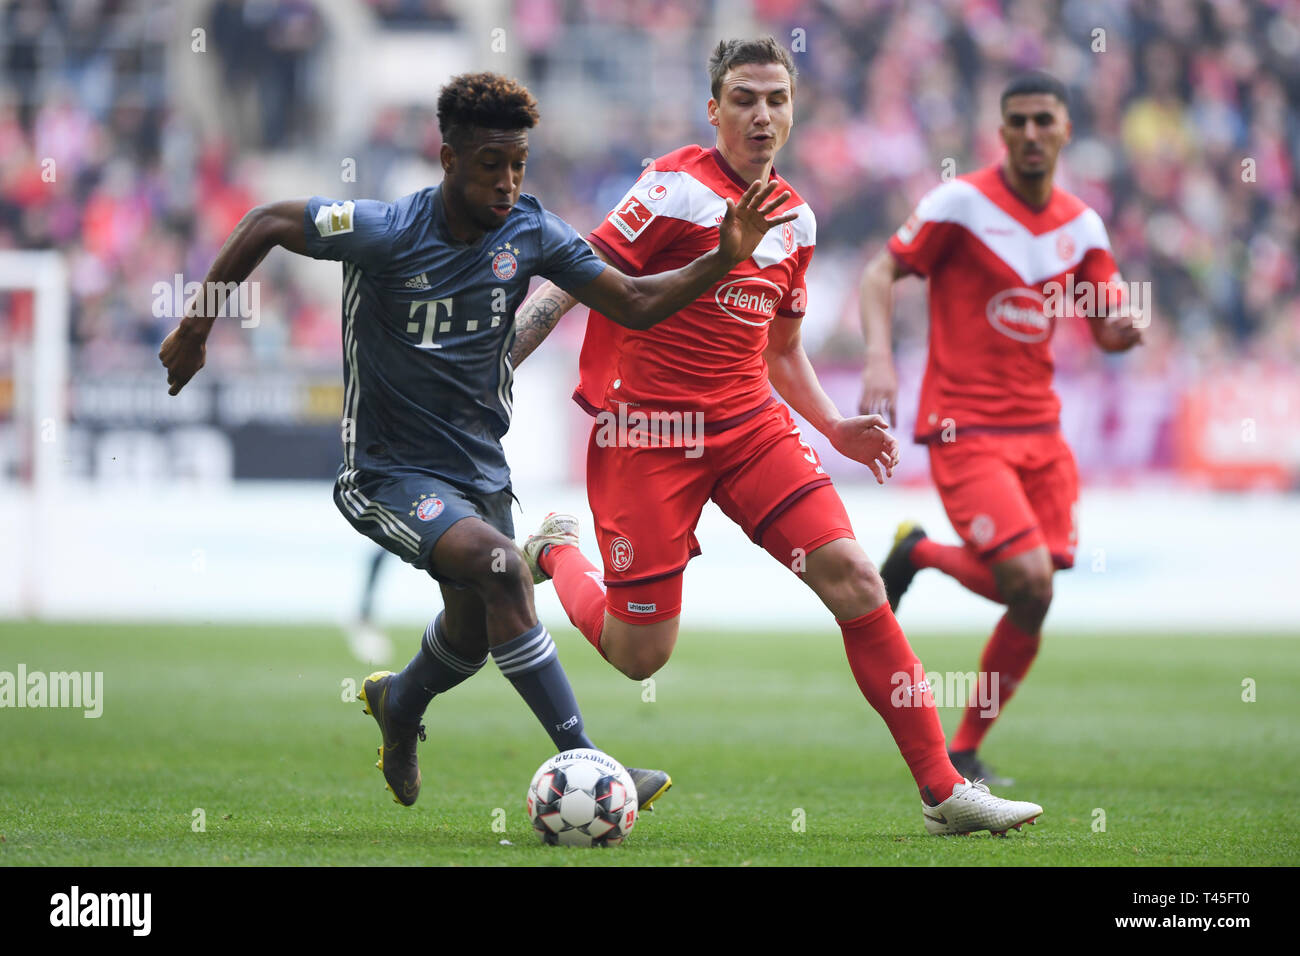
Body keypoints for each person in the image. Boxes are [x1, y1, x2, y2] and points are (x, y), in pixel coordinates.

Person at [159, 71, 796, 811]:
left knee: (469, 634)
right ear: (449, 159)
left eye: (519, 165)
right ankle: (589, 760)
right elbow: (267, 219)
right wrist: (197, 323)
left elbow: (632, 301)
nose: (508, 182)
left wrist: (722, 258)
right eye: (492, 165)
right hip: (387, 472)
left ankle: (400, 702)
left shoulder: (531, 231)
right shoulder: (387, 230)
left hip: (479, 472)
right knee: (503, 570)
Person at [511, 39, 1043, 836]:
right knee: (639, 654)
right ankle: (557, 549)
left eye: (777, 100)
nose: (763, 115)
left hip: (749, 425)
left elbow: (782, 349)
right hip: (650, 432)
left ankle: (944, 791)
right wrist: (500, 362)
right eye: (745, 99)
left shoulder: (797, 218)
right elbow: (574, 274)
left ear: (792, 109)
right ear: (715, 109)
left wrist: (831, 424)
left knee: (858, 580)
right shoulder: (673, 187)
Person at [857, 71, 1143, 785]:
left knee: (1035, 596)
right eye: (1017, 121)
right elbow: (878, 274)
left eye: (1045, 119)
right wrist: (879, 361)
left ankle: (964, 749)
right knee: (1027, 577)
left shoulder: (1083, 225)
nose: (1031, 133)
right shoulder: (961, 203)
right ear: (1001, 131)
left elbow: (1106, 328)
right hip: (965, 425)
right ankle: (918, 554)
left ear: (1067, 129)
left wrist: (1126, 330)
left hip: (1042, 433)